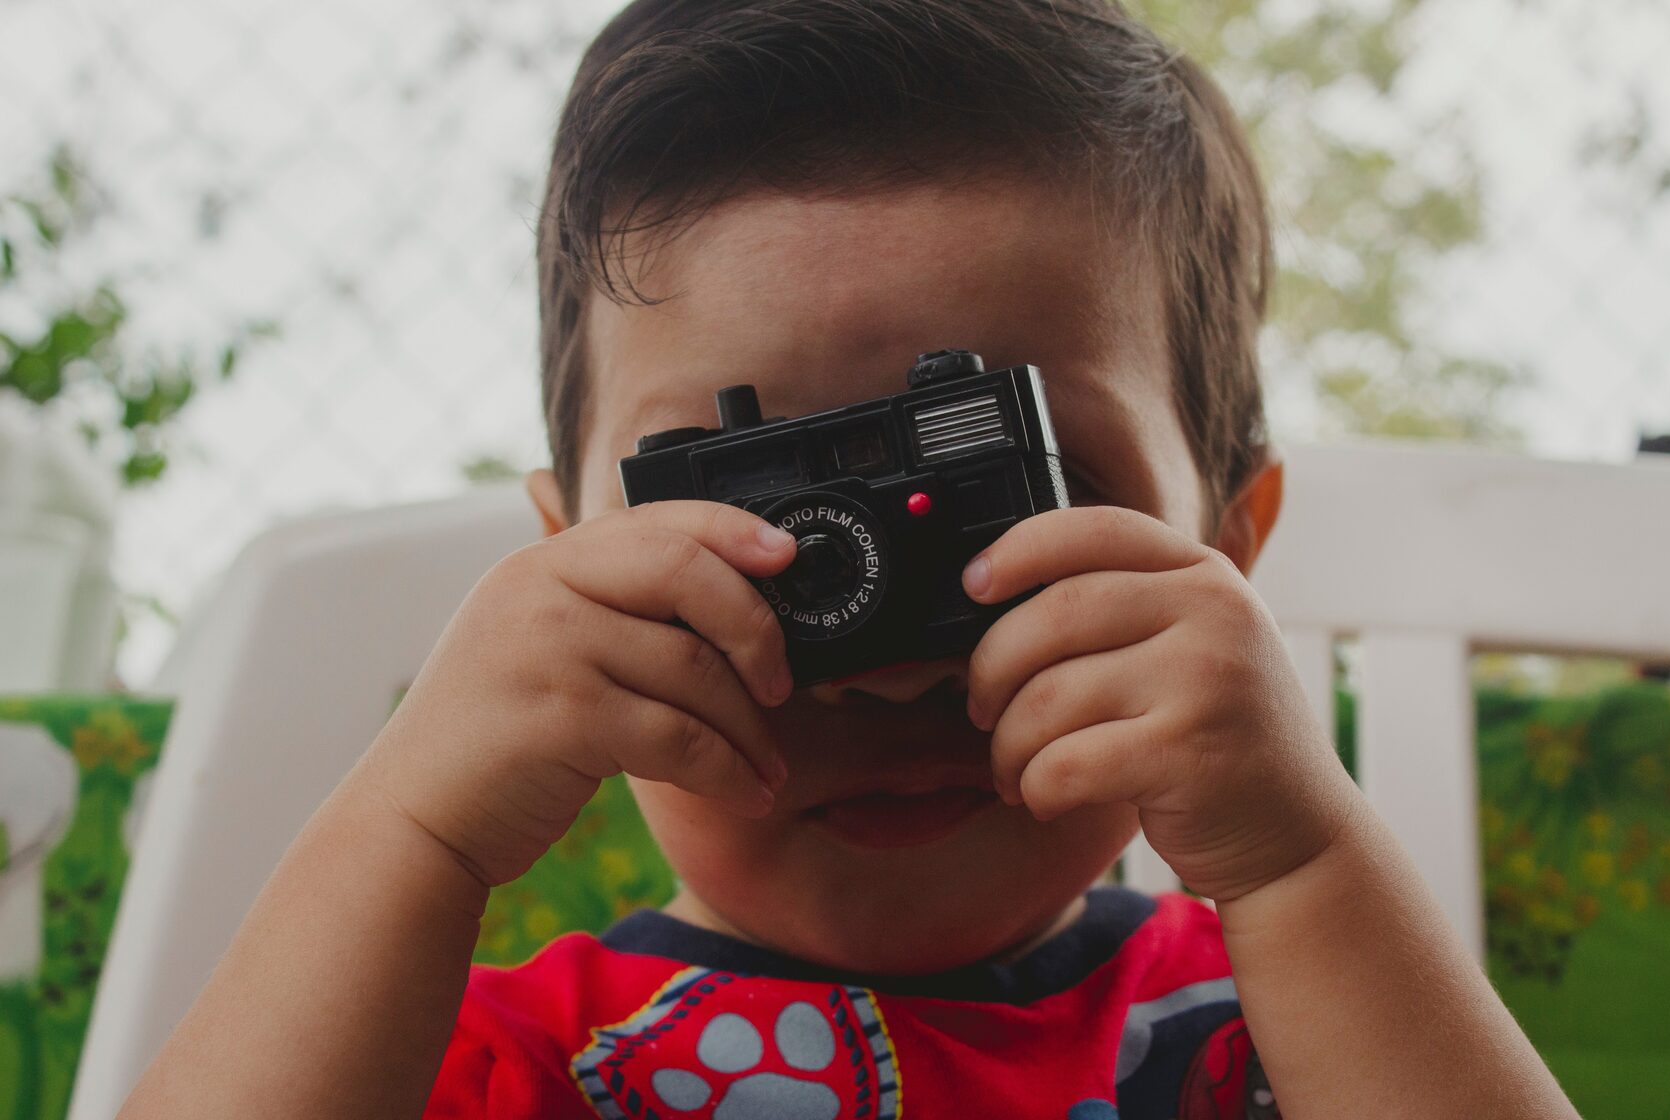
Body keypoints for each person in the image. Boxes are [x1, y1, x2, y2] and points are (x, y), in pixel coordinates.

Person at [117, 2, 1581, 1117]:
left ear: (1228, 553)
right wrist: (413, 834)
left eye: (1013, 492)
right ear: (570, 566)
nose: (888, 662)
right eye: (764, 528)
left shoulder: (1293, 1027)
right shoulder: (505, 1058)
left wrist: (1305, 859)